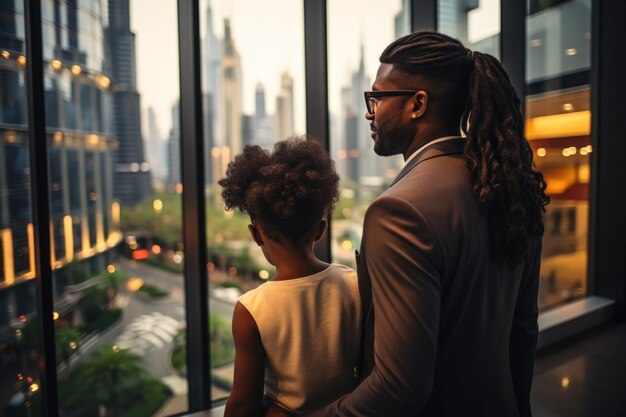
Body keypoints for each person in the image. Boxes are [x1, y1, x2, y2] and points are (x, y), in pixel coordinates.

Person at [298, 31, 549, 417]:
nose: (370, 111)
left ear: (417, 104)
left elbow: (399, 388)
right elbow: (522, 332)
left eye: (378, 97)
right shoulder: (510, 184)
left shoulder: (398, 211)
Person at [220, 137, 362, 417]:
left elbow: (242, 405)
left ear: (256, 234)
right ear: (320, 229)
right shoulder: (354, 283)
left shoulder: (251, 310)